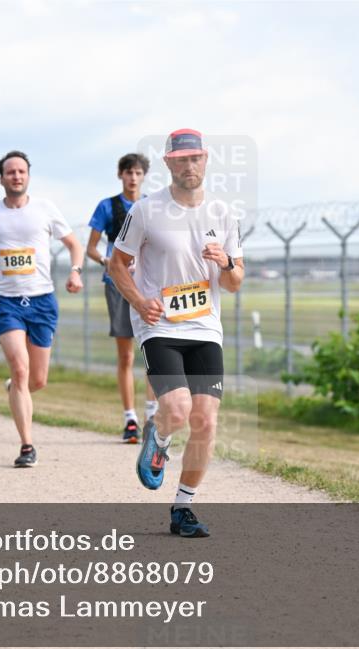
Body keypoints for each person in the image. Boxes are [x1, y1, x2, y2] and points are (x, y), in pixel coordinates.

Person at [110, 129, 244, 538]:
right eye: (182, 159)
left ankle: (183, 506)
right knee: (179, 410)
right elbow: (118, 265)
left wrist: (225, 263)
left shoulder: (223, 213)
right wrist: (138, 301)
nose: (190, 166)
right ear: (168, 163)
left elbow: (236, 281)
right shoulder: (147, 211)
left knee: (205, 421)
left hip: (205, 328)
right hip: (159, 325)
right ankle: (161, 437)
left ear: (205, 161)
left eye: (196, 158)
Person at [0, 151, 83, 468]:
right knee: (20, 369)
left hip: (42, 301)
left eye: (21, 171)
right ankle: (27, 446)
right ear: (1, 178)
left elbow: (75, 245)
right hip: (5, 302)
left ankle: (15, 390)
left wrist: (75, 271)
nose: (16, 176)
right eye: (10, 172)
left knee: (37, 380)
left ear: (28, 176)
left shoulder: (45, 208)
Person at [86, 153, 158, 444]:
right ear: (120, 175)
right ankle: (130, 418)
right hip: (117, 284)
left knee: (153, 351)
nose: (133, 178)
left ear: (144, 176)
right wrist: (108, 262)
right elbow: (90, 248)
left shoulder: (152, 206)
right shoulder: (108, 207)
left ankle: (152, 414)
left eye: (138, 173)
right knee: (126, 354)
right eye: (128, 172)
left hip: (147, 285)